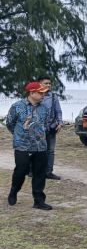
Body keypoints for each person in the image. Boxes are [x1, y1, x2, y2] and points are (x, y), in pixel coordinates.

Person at [6, 82, 53, 210]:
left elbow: (45, 123)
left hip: (40, 146)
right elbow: (10, 123)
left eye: (44, 93)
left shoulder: (44, 108)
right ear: (32, 93)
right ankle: (14, 191)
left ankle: (38, 200)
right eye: (41, 92)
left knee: (40, 173)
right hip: (22, 145)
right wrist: (19, 135)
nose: (44, 95)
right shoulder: (17, 106)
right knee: (21, 170)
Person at [39, 75, 63, 180]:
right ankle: (34, 171)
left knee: (51, 151)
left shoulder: (54, 96)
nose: (48, 85)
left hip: (51, 128)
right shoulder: (36, 95)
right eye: (46, 83)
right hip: (38, 129)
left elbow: (58, 111)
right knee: (38, 150)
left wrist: (60, 123)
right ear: (40, 84)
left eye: (49, 83)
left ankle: (49, 172)